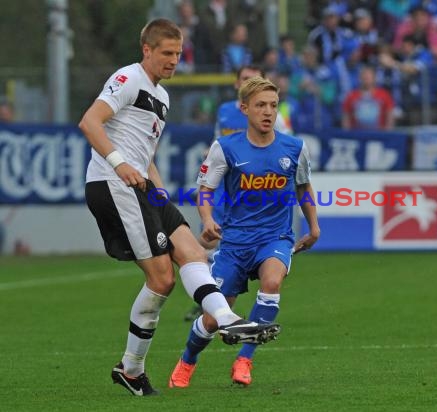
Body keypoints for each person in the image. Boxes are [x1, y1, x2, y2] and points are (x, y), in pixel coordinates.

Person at [78, 18, 279, 397]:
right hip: (113, 184)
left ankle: (225, 317)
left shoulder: (163, 97)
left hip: (143, 186)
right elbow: (90, 122)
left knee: (193, 252)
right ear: (147, 50)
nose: (174, 61)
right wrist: (120, 163)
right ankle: (132, 368)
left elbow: (146, 154)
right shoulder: (128, 79)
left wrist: (161, 196)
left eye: (178, 54)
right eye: (167, 53)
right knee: (162, 279)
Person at [169, 76, 320, 388]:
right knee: (212, 319)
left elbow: (303, 186)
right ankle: (187, 360)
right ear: (244, 109)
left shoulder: (294, 148)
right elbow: (205, 189)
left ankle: (244, 359)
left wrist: (314, 226)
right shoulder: (225, 147)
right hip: (235, 242)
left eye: (273, 106)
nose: (268, 112)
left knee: (273, 280)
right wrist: (208, 219)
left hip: (275, 237)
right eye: (261, 105)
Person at [183, 64, 292, 322]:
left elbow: (286, 146)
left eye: (255, 78)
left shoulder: (273, 115)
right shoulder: (224, 112)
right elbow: (219, 140)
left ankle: (226, 298)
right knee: (209, 241)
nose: (249, 81)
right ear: (236, 85)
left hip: (256, 189)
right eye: (245, 78)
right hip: (226, 186)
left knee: (243, 245)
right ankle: (210, 300)